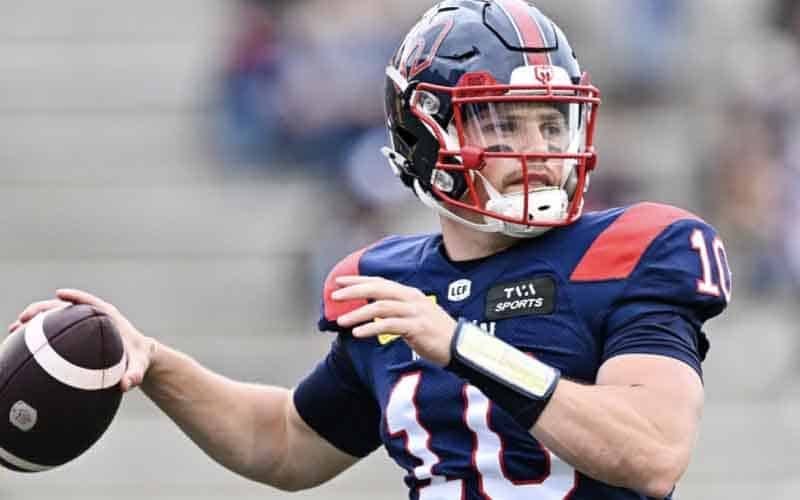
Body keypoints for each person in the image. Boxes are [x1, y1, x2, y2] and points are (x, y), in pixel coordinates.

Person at [9, 1, 731, 498]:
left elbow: (652, 454)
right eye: (504, 127)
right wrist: (160, 365)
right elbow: (286, 443)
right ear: (425, 135)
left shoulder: (634, 251)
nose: (538, 151)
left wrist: (465, 346)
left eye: (551, 124)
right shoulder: (387, 282)